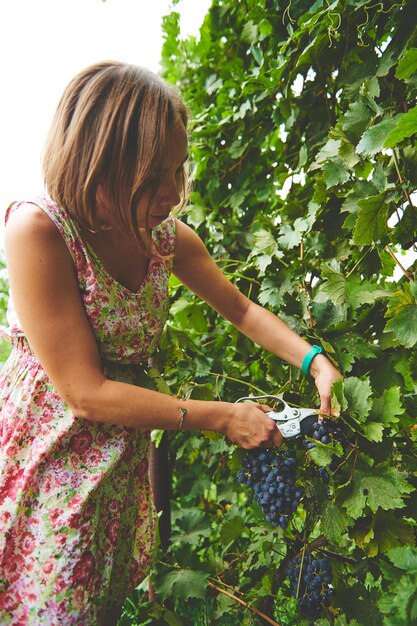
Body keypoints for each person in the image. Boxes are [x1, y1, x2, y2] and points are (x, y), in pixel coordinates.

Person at [0, 61, 341, 625]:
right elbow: (84, 393)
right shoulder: (40, 231)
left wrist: (314, 360)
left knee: (100, 608)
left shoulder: (162, 237)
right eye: (158, 174)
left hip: (118, 460)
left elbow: (241, 309)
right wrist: (225, 417)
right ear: (105, 162)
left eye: (180, 169)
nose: (176, 191)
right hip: (52, 464)